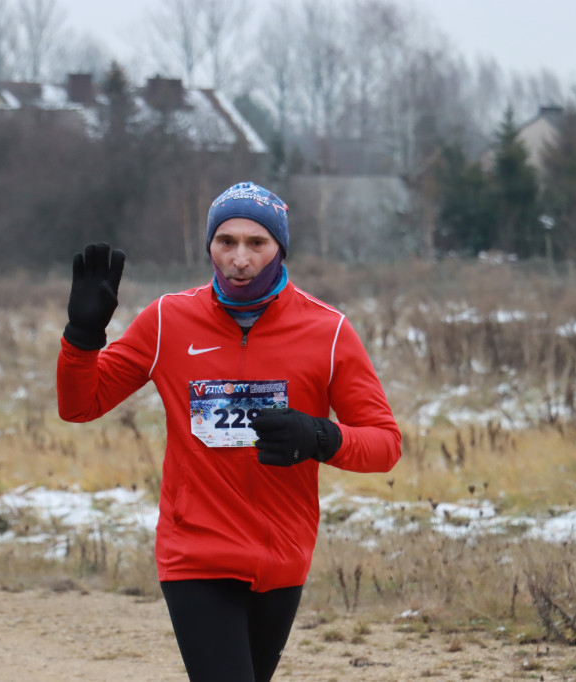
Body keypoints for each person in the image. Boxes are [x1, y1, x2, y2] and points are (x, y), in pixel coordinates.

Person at [57, 181, 401, 681]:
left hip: (283, 553)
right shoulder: (166, 321)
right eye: (227, 242)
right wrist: (83, 337)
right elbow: (79, 405)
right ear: (210, 247)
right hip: (196, 550)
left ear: (280, 248)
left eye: (256, 244)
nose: (240, 258)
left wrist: (319, 436)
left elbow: (385, 444)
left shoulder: (327, 332)